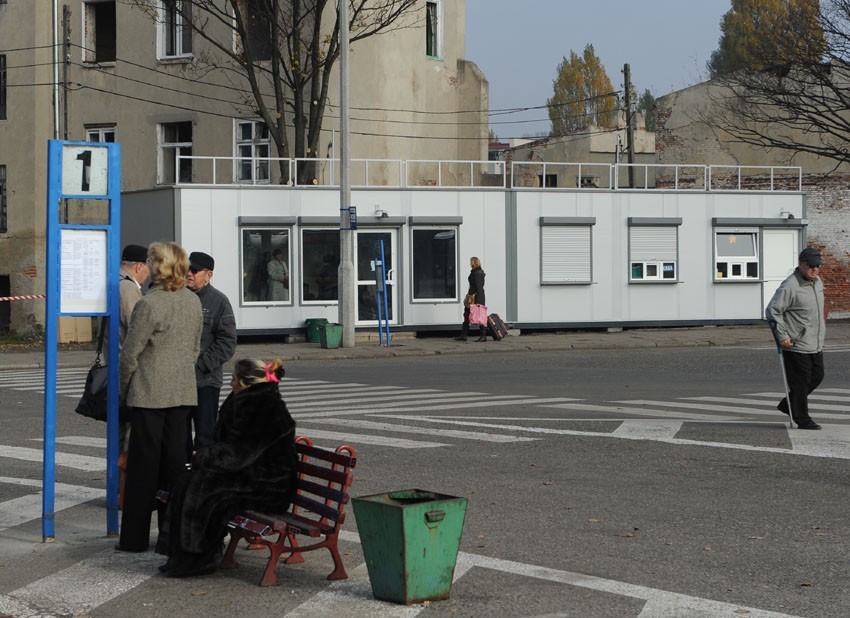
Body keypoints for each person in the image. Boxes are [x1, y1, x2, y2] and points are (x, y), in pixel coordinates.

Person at [157, 358, 297, 578]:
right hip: (250, 474)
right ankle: (183, 555)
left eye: (233, 379)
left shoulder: (263, 406)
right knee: (186, 481)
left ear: (245, 382)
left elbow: (239, 453)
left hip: (269, 485)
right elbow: (233, 448)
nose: (230, 383)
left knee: (203, 490)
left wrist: (204, 458)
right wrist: (205, 458)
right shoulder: (248, 398)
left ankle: (199, 557)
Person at [116, 242, 203, 552]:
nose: (148, 265)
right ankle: (170, 537)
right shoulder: (192, 302)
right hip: (182, 393)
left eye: (152, 261)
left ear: (159, 266)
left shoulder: (149, 304)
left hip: (149, 394)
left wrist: (125, 389)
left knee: (142, 470)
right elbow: (195, 349)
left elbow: (130, 355)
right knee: (175, 468)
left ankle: (134, 539)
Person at [766, 247, 826, 430]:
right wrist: (782, 336)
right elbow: (773, 311)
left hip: (815, 342)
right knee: (800, 383)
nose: (815, 270)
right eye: (811, 266)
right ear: (801, 264)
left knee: (817, 376)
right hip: (795, 343)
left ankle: (788, 404)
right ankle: (802, 418)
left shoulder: (817, 282)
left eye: (818, 266)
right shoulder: (790, 286)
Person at [186, 251, 237, 459]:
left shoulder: (219, 301)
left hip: (206, 382)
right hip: (178, 382)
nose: (189, 274)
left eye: (195, 270)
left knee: (205, 437)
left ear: (208, 274)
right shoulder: (179, 297)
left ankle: (203, 481)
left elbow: (227, 342)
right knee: (179, 438)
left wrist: (200, 366)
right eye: (186, 269)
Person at [455, 256, 487, 342]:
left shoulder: (477, 273)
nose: (470, 264)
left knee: (479, 316)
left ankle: (483, 336)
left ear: (474, 263)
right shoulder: (476, 272)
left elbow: (479, 287)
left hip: (476, 298)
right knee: (467, 315)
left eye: (471, 262)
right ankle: (464, 334)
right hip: (472, 297)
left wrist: (478, 301)